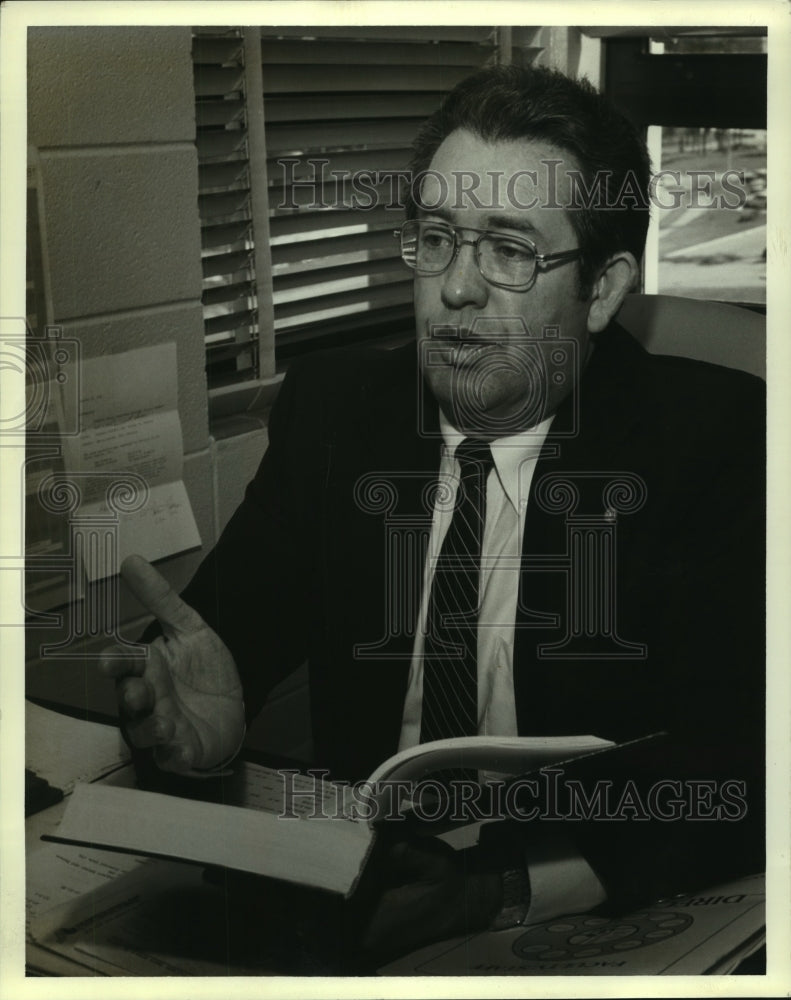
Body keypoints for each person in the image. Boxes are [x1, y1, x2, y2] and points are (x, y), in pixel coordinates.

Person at [101, 65, 764, 966]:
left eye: (507, 249)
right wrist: (200, 752)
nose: (455, 290)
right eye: (437, 237)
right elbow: (205, 666)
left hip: (585, 896)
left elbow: (750, 759)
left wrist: (502, 887)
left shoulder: (713, 444)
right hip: (361, 883)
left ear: (602, 290)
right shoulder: (335, 415)